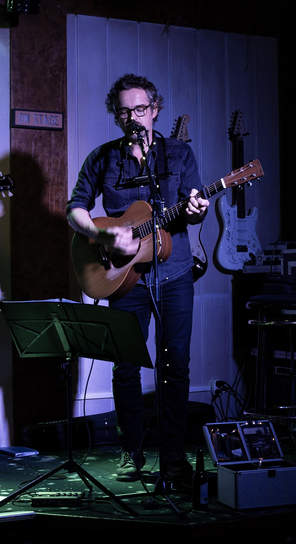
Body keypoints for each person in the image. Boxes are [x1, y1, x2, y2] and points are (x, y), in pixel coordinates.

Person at [67, 73, 209, 483]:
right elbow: (75, 209)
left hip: (175, 273)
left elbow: (194, 203)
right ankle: (130, 452)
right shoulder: (102, 157)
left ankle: (173, 455)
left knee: (175, 364)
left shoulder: (178, 153)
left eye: (141, 109)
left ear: (155, 110)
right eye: (125, 111)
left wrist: (197, 209)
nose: (133, 117)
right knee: (126, 366)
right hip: (122, 276)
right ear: (116, 116)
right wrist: (102, 235)